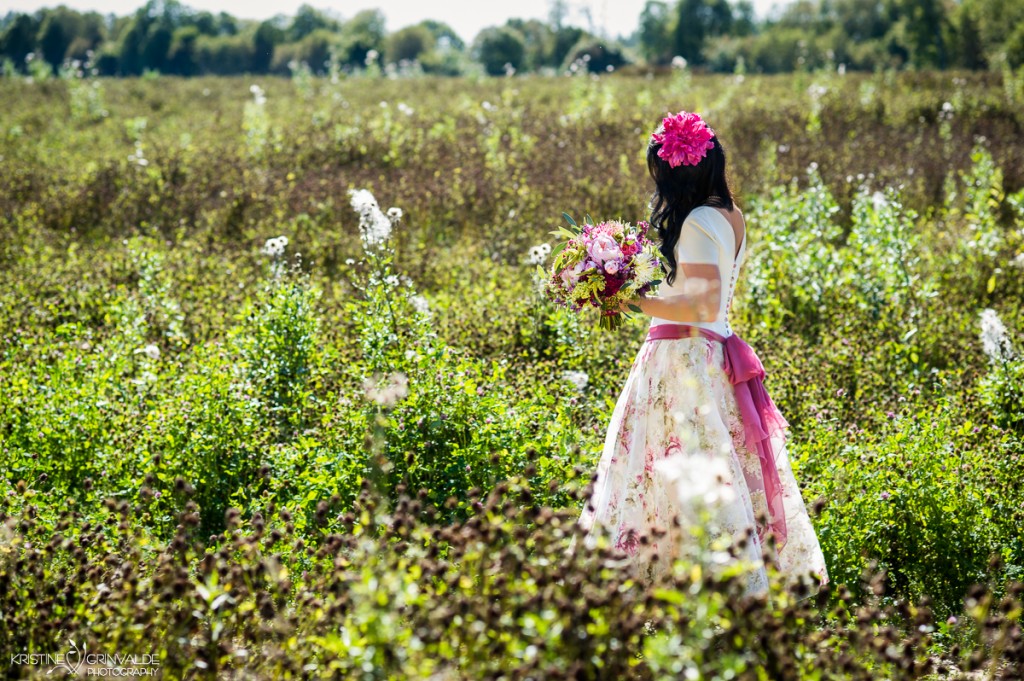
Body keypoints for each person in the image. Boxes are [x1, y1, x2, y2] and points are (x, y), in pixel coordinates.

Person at [576, 111, 829, 595]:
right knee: (709, 469)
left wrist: (628, 297)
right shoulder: (731, 215)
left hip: (684, 358)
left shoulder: (696, 220)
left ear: (677, 173)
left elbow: (702, 303)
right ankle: (710, 579)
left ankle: (680, 583)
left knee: (671, 469)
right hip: (709, 354)